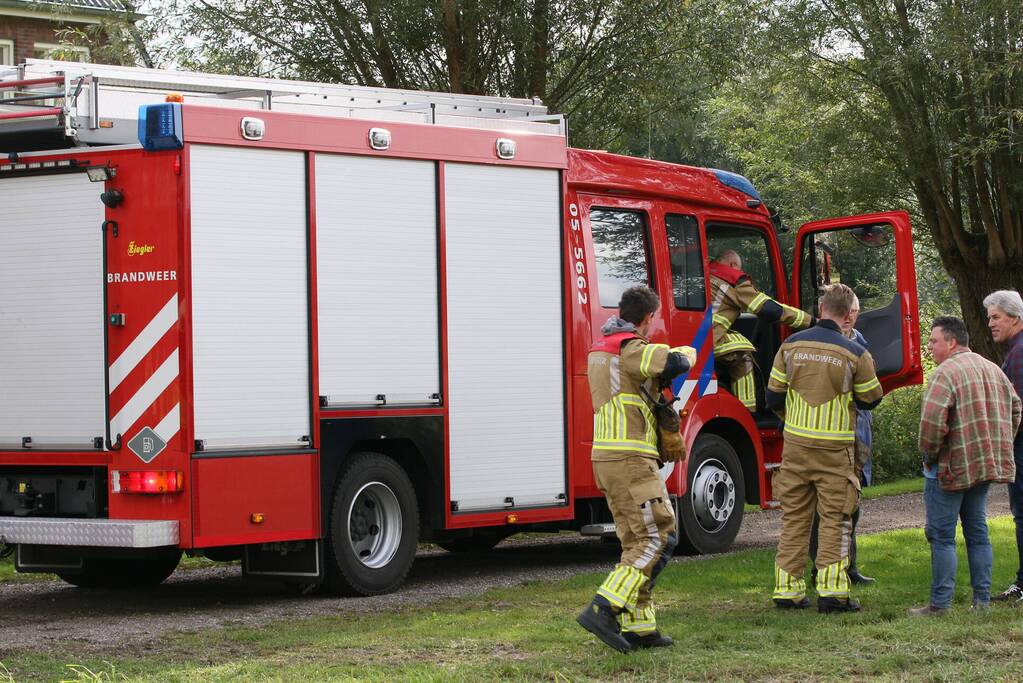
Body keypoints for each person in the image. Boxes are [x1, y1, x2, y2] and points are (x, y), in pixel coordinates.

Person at [577, 286, 695, 653]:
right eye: (654, 319)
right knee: (659, 536)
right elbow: (673, 363)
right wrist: (686, 352)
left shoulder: (600, 348)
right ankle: (604, 607)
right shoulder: (629, 348)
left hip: (609, 457)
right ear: (647, 318)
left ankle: (640, 626)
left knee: (635, 541)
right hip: (630, 458)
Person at [766, 283, 883, 613]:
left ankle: (787, 591)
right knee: (835, 519)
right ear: (848, 316)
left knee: (794, 520)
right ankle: (832, 594)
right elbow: (872, 398)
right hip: (834, 451)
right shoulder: (854, 353)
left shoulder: (789, 345)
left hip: (795, 447)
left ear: (821, 310)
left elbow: (773, 396)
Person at [911, 316, 1021, 616]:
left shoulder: (944, 374)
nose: (930, 347)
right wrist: (1001, 442)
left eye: (934, 341)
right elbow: (1016, 407)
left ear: (952, 341)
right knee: (977, 531)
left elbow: (932, 423)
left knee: (942, 535)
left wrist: (929, 455)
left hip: (949, 466)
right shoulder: (992, 369)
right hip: (984, 464)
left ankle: (940, 604)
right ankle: (982, 602)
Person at [808, 296, 875, 585]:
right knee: (822, 508)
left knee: (853, 503)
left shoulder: (859, 340)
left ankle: (849, 566)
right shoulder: (816, 341)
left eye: (855, 313)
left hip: (858, 433)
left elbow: (870, 392)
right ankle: (819, 567)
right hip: (830, 437)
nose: (850, 317)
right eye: (846, 312)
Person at [709, 249, 814, 412]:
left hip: (690, 338)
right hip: (708, 340)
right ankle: (747, 412)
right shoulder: (731, 279)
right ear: (733, 264)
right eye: (739, 268)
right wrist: (811, 321)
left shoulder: (704, 274)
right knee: (743, 355)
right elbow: (767, 309)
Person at [983, 290, 1023, 602]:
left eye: (996, 317)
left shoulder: (1019, 353)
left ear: (1015, 318)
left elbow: (1017, 410)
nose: (991, 323)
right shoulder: (1015, 350)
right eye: (989, 318)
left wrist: (1002, 446)